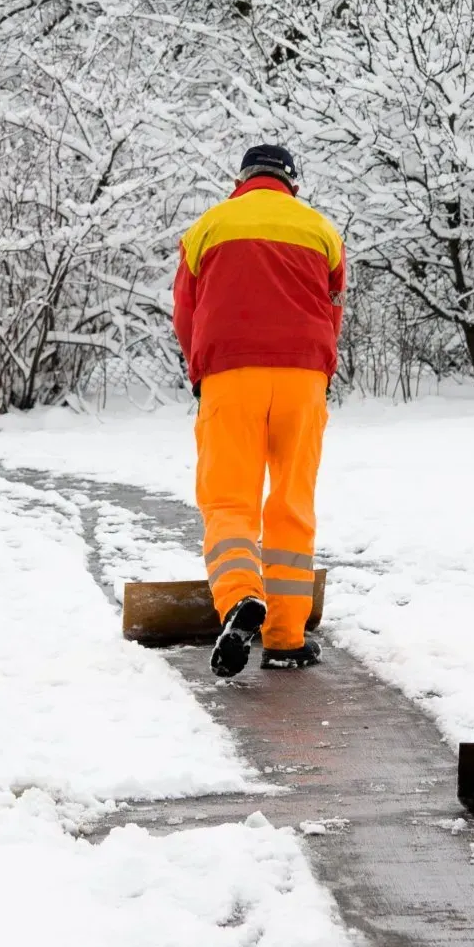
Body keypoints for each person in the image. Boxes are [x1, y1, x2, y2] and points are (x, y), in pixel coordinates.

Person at [173, 144, 346, 677]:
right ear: (291, 182)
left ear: (241, 179)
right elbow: (332, 310)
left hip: (231, 378)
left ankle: (240, 598)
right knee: (292, 503)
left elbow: (186, 312)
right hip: (303, 381)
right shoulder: (321, 230)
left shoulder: (208, 227)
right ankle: (287, 639)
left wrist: (201, 374)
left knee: (229, 502)